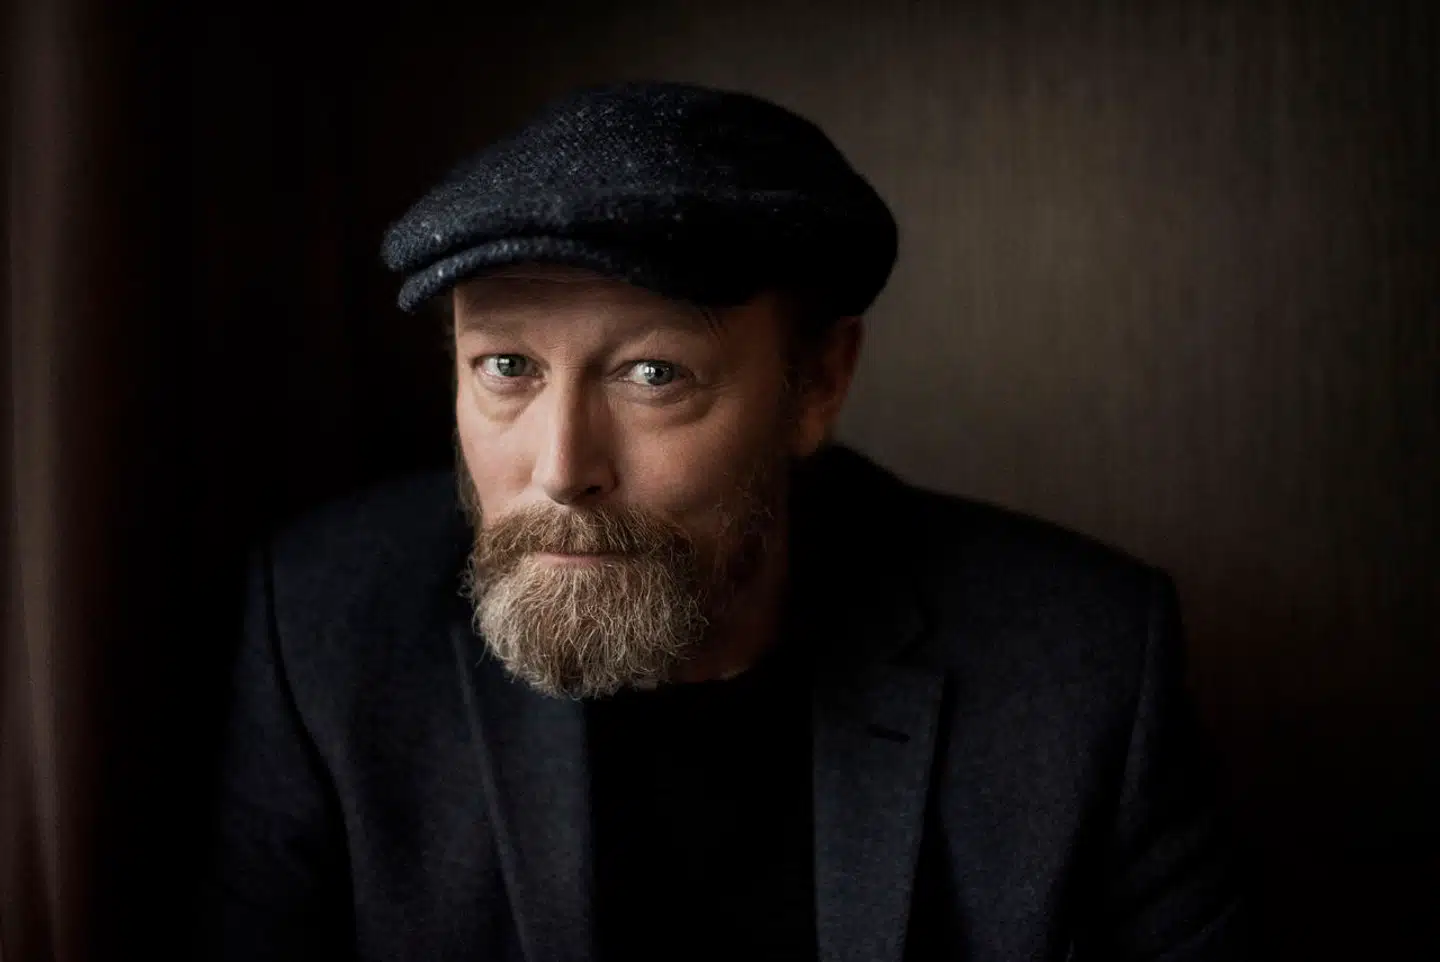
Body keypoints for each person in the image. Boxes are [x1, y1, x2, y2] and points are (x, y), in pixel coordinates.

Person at [202, 81, 1252, 961]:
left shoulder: (1082, 665)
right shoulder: (326, 629)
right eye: (506, 366)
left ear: (818, 382)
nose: (562, 470)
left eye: (653, 374)